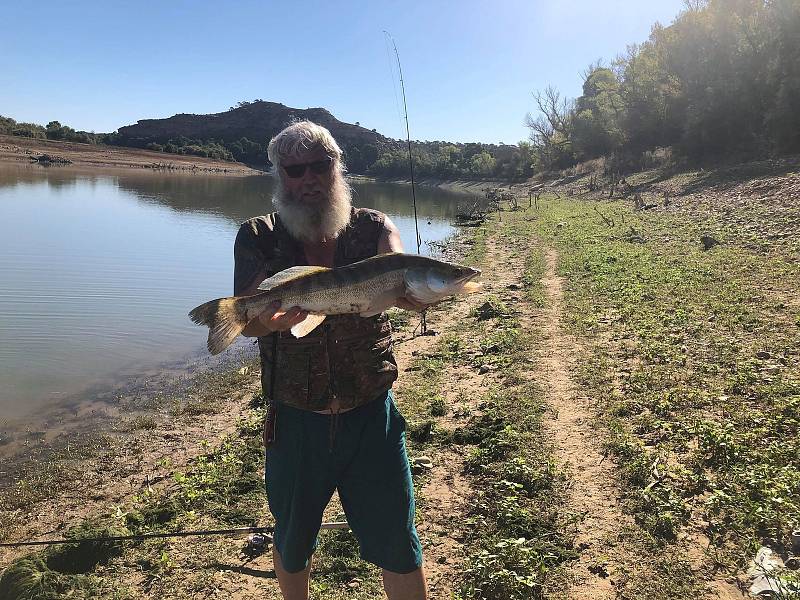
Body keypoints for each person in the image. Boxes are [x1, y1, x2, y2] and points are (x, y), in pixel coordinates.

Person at [232, 121, 429, 600]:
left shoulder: (374, 227)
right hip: (297, 419)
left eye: (320, 165)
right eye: (295, 169)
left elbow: (397, 265)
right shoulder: (258, 235)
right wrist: (273, 322)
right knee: (293, 542)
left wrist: (414, 290)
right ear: (280, 175)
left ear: (337, 168)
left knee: (398, 541)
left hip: (371, 415)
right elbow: (247, 317)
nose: (309, 178)